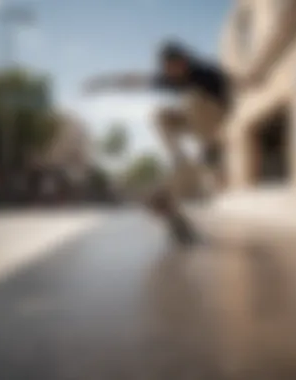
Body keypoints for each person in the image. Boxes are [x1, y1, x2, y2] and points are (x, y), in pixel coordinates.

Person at [84, 41, 231, 245]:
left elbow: (237, 79)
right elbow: (134, 81)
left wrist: (213, 142)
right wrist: (101, 82)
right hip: (192, 119)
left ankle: (208, 149)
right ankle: (179, 168)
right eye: (168, 70)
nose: (173, 74)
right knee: (159, 115)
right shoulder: (169, 78)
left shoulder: (205, 72)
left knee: (193, 98)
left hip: (215, 115)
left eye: (176, 68)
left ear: (185, 61)